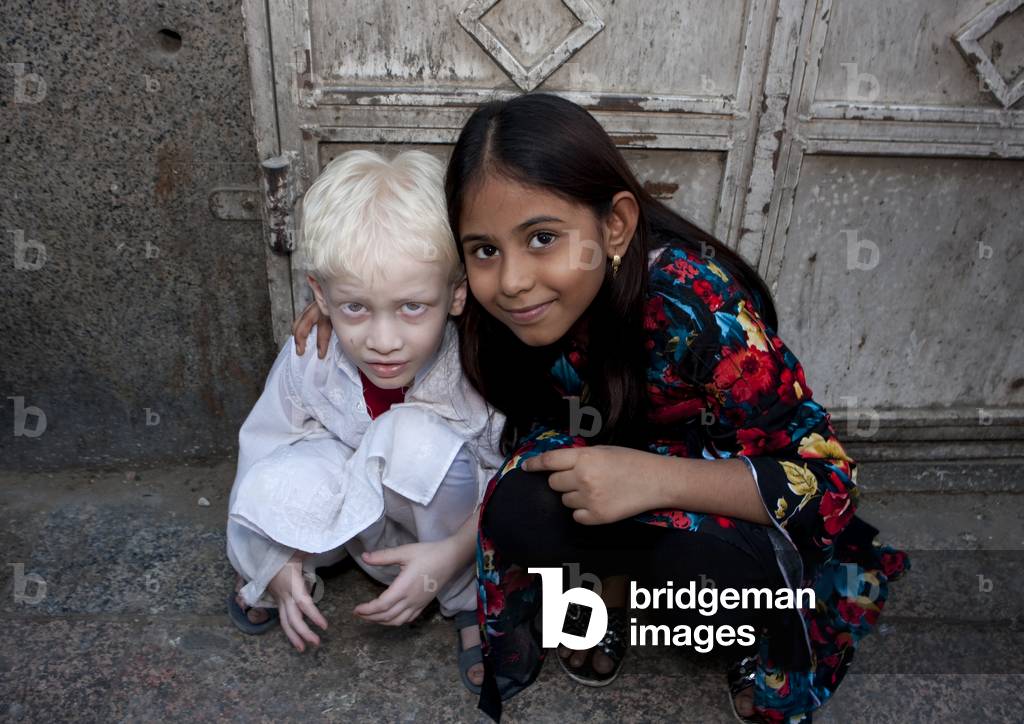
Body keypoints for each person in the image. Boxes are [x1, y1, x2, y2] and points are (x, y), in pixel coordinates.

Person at [293, 94, 910, 723]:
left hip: (714, 484)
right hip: (603, 464)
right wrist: (354, 302)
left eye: (543, 238)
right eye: (484, 250)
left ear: (614, 226)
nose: (512, 280)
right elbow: (416, 281)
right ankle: (612, 593)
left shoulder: (696, 306)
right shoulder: (493, 293)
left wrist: (652, 479)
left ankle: (744, 630)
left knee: (712, 567)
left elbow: (831, 485)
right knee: (518, 507)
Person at [226, 149, 505, 693]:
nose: (383, 340)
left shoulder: (476, 367)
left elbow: (507, 479)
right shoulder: (312, 353)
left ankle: (464, 601)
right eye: (356, 307)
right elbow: (263, 450)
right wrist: (272, 557)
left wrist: (451, 558)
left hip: (436, 535)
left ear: (456, 294)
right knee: (278, 474)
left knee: (415, 438)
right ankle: (281, 575)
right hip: (345, 523)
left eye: (411, 307)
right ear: (321, 296)